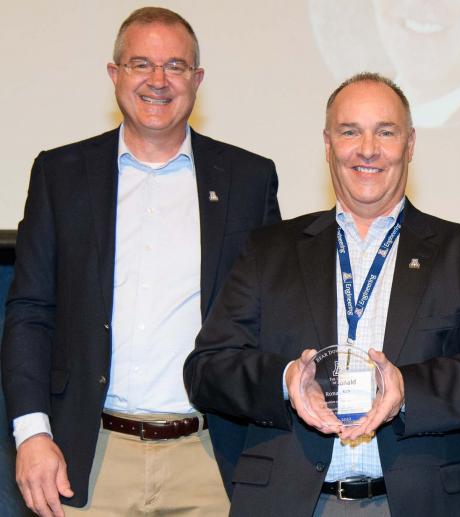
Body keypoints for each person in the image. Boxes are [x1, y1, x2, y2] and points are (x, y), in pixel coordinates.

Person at [183, 72, 460, 517]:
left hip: (419, 502)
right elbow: (206, 368)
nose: (368, 149)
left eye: (385, 132)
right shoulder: (269, 250)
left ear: (410, 144)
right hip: (291, 503)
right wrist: (286, 380)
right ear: (328, 145)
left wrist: (408, 390)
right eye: (351, 132)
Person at [1, 7, 280, 516]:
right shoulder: (59, 175)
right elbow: (29, 313)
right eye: (140, 65)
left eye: (175, 66)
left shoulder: (249, 179)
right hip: (88, 456)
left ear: (197, 81)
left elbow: (268, 322)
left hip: (211, 461)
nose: (158, 80)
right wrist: (31, 434)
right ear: (115, 75)